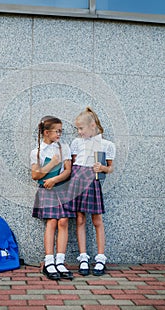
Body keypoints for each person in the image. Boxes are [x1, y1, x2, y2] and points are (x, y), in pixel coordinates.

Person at [65, 107, 116, 276]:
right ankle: (83, 257)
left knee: (97, 220)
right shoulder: (77, 143)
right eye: (77, 129)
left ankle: (100, 257)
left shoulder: (107, 145)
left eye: (81, 128)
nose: (79, 132)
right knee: (80, 219)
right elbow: (73, 165)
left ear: (92, 125)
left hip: (93, 183)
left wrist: (102, 168)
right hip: (78, 182)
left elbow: (110, 168)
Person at [31, 115, 75, 280]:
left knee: (63, 221)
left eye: (61, 131)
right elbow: (35, 175)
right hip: (46, 190)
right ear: (47, 132)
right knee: (52, 222)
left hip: (61, 188)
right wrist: (50, 164)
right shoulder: (37, 151)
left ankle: (60, 261)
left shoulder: (63, 147)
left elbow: (68, 170)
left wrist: (54, 179)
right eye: (57, 131)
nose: (59, 134)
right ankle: (49, 261)